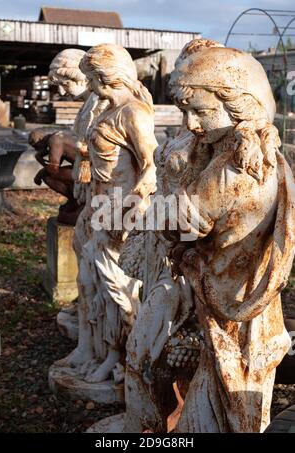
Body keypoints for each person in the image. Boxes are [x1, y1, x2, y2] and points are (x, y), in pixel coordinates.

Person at [167, 46, 295, 432]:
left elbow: (180, 224)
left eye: (201, 112)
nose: (190, 125)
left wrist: (173, 180)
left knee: (229, 406)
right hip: (238, 300)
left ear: (241, 105)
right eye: (184, 112)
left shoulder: (234, 169)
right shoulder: (257, 151)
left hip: (233, 311)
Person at [57, 44, 158, 384]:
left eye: (92, 78)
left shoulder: (133, 112)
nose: (90, 86)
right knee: (89, 281)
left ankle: (120, 357)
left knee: (117, 288)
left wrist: (129, 211)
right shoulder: (106, 108)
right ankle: (93, 348)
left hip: (118, 209)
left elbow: (151, 170)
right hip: (97, 205)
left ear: (107, 76)